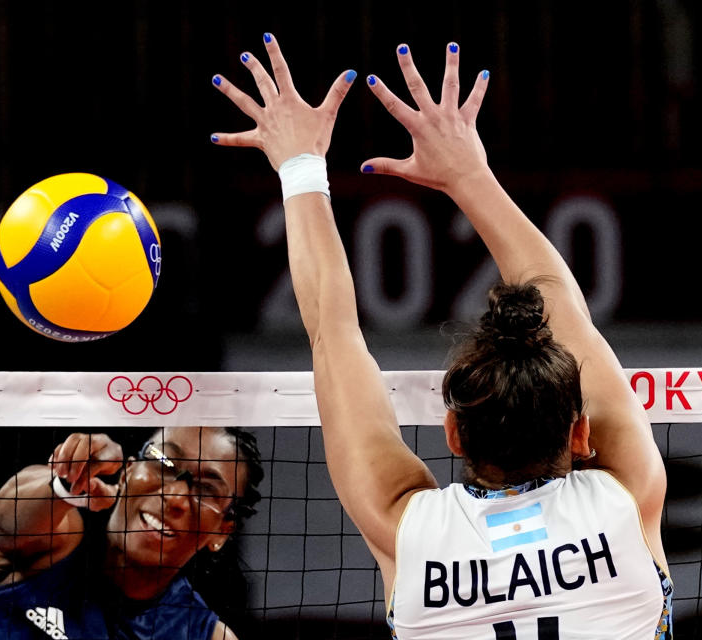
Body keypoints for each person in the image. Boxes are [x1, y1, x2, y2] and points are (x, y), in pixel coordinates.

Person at [212, 34, 671, 638]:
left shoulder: (409, 532)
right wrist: (468, 174)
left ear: (453, 433)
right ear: (580, 431)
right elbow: (562, 306)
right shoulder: (628, 502)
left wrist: (300, 166)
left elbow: (332, 329)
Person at [0, 426, 263, 640]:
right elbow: (1, 524)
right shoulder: (56, 537)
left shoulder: (204, 635)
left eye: (205, 490)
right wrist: (65, 485)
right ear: (129, 471)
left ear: (222, 531)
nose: (174, 497)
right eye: (163, 463)